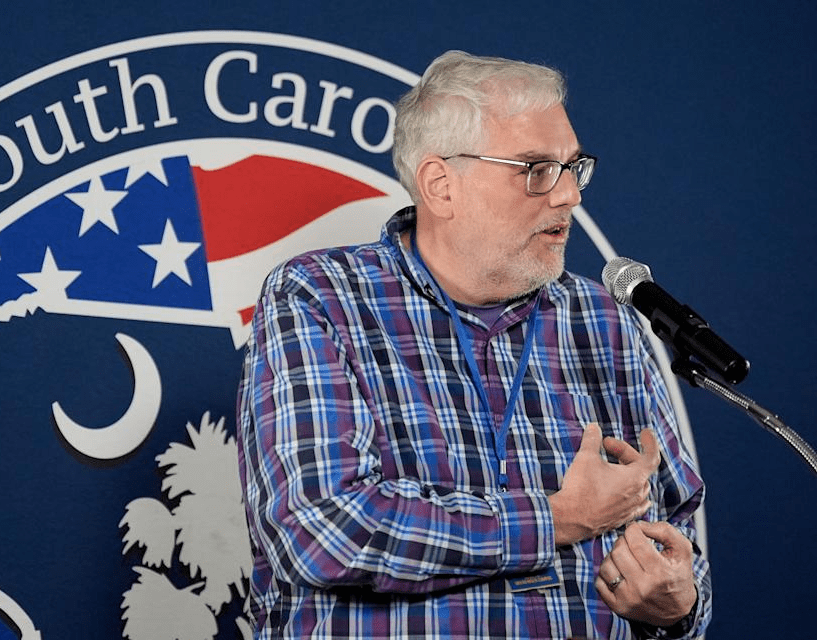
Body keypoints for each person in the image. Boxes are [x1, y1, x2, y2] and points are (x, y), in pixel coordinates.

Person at [236, 50, 711, 639]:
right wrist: (557, 518)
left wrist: (678, 603)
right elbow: (322, 530)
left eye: (573, 167)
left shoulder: (604, 321)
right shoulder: (320, 299)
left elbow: (682, 542)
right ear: (441, 185)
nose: (569, 197)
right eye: (537, 169)